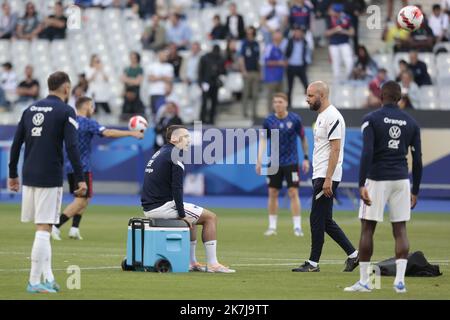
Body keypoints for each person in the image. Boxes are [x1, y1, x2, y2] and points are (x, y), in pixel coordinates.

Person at [8, 71, 87, 293]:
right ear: (66, 88)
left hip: (29, 175)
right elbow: (72, 147)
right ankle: (34, 281)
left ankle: (49, 277)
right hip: (49, 176)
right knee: (44, 228)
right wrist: (80, 179)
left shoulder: (30, 109)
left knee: (44, 226)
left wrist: (13, 174)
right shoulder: (65, 110)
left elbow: (16, 144)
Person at [344, 81, 422, 293]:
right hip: (401, 180)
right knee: (400, 229)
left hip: (378, 179)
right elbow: (418, 159)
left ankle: (364, 282)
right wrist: (415, 190)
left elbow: (367, 152)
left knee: (368, 228)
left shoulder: (371, 119)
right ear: (400, 98)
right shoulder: (411, 123)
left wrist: (361, 183)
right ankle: (399, 281)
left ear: (380, 96)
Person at [142, 125, 235, 273]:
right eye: (185, 136)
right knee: (210, 217)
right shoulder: (175, 155)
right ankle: (213, 264)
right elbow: (177, 188)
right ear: (174, 138)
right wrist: (181, 214)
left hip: (150, 207)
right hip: (162, 206)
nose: (188, 140)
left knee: (193, 217)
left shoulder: (160, 152)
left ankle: (192, 262)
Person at [52, 97, 144, 241]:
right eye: (92, 106)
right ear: (87, 106)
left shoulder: (69, 121)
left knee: (84, 198)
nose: (93, 109)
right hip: (82, 166)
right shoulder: (87, 122)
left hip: (71, 165)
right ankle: (55, 226)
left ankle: (74, 229)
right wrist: (131, 133)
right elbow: (107, 133)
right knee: (81, 200)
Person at [292, 81, 358, 272]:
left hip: (326, 175)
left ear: (322, 95)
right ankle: (354, 255)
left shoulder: (333, 116)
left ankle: (313, 263)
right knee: (326, 220)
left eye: (311, 95)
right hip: (320, 173)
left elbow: (336, 149)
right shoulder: (322, 116)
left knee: (315, 218)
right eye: (307, 95)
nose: (307, 99)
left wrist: (328, 178)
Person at [256, 92, 310, 237]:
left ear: (286, 103)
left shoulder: (295, 119)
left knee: (293, 192)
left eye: (280, 102)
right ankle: (272, 227)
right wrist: (259, 159)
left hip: (291, 161)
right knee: (272, 193)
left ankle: (297, 227)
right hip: (274, 163)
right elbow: (263, 140)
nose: (277, 104)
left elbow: (303, 139)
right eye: (275, 102)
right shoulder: (268, 121)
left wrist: (306, 158)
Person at [282, 25, 312, 107]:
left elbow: (307, 54)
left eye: (299, 32)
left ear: (302, 33)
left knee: (307, 86)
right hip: (291, 66)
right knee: (289, 87)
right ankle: (289, 106)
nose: (298, 34)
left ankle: (311, 103)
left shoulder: (305, 42)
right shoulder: (288, 41)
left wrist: (307, 63)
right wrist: (284, 60)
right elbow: (281, 50)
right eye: (296, 32)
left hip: (301, 66)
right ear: (293, 33)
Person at [325, 4, 355, 82]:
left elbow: (352, 32)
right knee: (336, 63)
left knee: (349, 61)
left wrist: (343, 31)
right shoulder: (329, 18)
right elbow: (326, 33)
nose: (335, 13)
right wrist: (335, 30)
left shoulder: (346, 18)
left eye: (337, 12)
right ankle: (337, 81)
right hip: (333, 44)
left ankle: (348, 78)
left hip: (344, 42)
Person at [198, 44, 226, 124]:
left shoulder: (220, 59)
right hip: (206, 83)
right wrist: (200, 82)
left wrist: (218, 70)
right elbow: (200, 71)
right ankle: (202, 119)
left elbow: (223, 72)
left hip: (215, 84)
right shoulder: (205, 58)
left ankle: (211, 120)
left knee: (214, 103)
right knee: (204, 102)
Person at [239, 26, 260, 120]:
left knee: (255, 94)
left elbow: (258, 59)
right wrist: (243, 70)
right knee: (246, 93)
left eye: (251, 33)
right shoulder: (244, 43)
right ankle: (244, 112)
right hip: (247, 71)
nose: (250, 35)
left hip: (255, 71)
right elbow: (241, 58)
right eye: (248, 33)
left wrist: (260, 71)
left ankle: (254, 113)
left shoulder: (256, 43)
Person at [263, 31, 286, 112]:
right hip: (271, 78)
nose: (280, 39)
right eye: (279, 37)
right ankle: (270, 116)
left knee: (280, 98)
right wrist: (279, 63)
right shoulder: (270, 47)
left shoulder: (279, 49)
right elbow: (266, 62)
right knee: (271, 98)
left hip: (279, 77)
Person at [147, 49, 174, 115]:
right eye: (163, 55)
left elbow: (170, 79)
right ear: (159, 55)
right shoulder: (152, 66)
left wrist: (157, 77)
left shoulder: (169, 66)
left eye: (166, 55)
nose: (165, 57)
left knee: (161, 112)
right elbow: (150, 78)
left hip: (163, 93)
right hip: (153, 92)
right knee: (153, 113)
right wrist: (163, 77)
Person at [121, 51, 145, 121]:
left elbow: (138, 82)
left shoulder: (139, 69)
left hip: (135, 93)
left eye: (134, 57)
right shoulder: (127, 68)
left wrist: (128, 80)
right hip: (127, 92)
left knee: (137, 112)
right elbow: (123, 79)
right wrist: (133, 80)